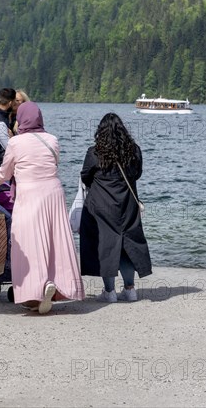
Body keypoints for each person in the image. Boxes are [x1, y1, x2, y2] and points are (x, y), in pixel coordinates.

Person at [0, 101, 84, 314]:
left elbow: (5, 173)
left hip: (29, 194)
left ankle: (34, 291)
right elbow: (55, 162)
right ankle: (56, 283)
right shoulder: (52, 139)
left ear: (21, 118)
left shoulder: (16, 143)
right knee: (55, 240)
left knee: (29, 241)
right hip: (53, 192)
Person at [79, 113, 152, 302]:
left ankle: (109, 292)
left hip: (102, 206)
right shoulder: (134, 150)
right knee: (128, 245)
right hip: (127, 204)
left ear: (100, 132)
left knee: (106, 245)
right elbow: (137, 174)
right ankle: (130, 289)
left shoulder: (94, 152)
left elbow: (85, 176)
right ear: (123, 131)